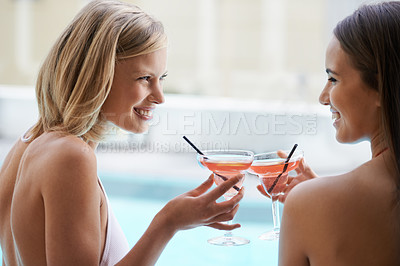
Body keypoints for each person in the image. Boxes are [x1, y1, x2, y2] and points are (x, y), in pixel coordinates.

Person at [0, 1, 244, 265]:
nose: (160, 97)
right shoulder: (71, 156)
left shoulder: (27, 144)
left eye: (161, 77)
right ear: (97, 75)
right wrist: (168, 222)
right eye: (144, 79)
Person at [263, 2, 400, 265]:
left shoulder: (309, 205)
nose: (323, 97)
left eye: (333, 79)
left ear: (382, 86)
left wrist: (315, 202)